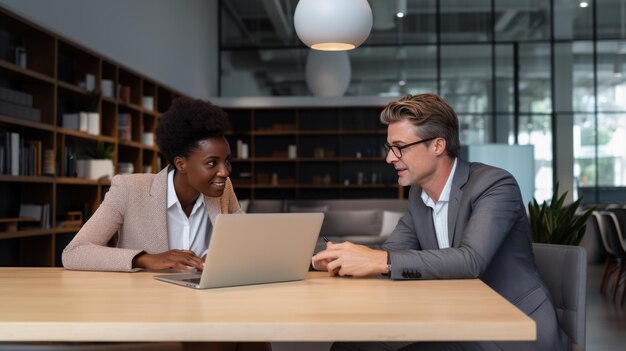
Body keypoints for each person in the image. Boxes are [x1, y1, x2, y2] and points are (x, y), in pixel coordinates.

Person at [312, 94, 567, 351]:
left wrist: (376, 260)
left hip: (513, 327)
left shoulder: (495, 185)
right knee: (348, 346)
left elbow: (471, 260)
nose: (390, 158)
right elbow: (393, 254)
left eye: (399, 147)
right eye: (389, 147)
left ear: (437, 146)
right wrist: (341, 259)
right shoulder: (418, 195)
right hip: (459, 321)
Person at [62, 97, 241, 272]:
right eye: (212, 163)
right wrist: (146, 259)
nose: (225, 172)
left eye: (227, 161)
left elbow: (244, 242)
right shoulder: (129, 190)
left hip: (206, 298)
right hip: (147, 299)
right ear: (181, 164)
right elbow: (74, 253)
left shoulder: (224, 189)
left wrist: (218, 255)